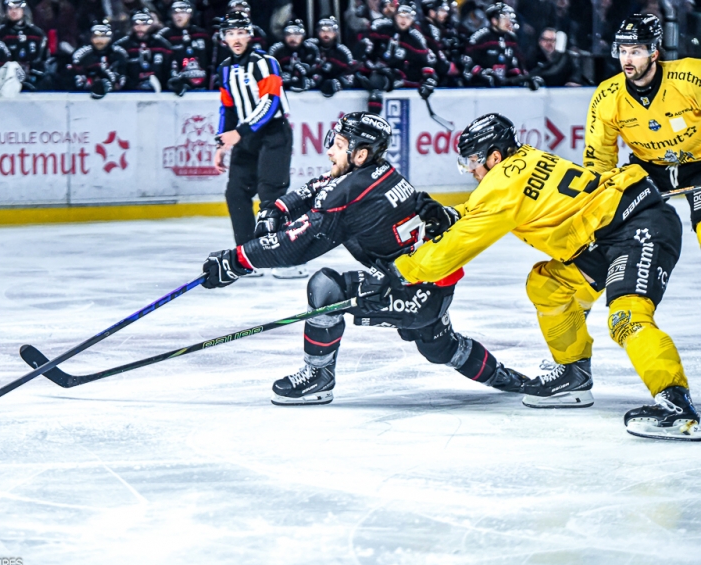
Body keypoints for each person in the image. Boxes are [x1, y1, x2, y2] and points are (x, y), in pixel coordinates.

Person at [388, 113, 699, 441]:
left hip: (638, 228)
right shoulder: (524, 158)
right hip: (606, 235)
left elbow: (447, 254)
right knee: (549, 284)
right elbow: (489, 205)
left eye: (474, 161)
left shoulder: (502, 185)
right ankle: (574, 373)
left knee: (627, 317)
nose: (471, 170)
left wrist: (398, 272)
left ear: (495, 156)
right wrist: (454, 213)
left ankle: (676, 406)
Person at [200, 112, 529, 405]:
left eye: (339, 144)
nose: (330, 150)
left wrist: (235, 261)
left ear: (359, 154)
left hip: (414, 292)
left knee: (326, 287)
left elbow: (294, 247)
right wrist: (280, 208)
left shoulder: (351, 195)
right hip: (427, 285)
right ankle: (510, 379)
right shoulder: (378, 170)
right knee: (440, 348)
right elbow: (321, 185)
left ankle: (318, 377)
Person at [584, 14, 701, 249]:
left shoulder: (691, 76)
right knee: (605, 227)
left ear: (654, 52)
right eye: (623, 51)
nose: (627, 59)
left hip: (698, 165)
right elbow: (599, 157)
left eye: (636, 51)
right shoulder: (607, 96)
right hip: (648, 169)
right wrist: (599, 200)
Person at [214, 11, 306, 280]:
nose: (236, 38)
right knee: (235, 193)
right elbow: (227, 109)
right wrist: (222, 143)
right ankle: (247, 256)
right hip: (245, 138)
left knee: (271, 197)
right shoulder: (225, 69)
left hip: (273, 134)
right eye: (230, 33)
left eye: (241, 32)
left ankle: (284, 257)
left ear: (250, 34)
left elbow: (270, 103)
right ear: (224, 38)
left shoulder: (266, 62)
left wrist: (238, 133)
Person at [356, 4, 435, 113]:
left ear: (413, 20)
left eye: (408, 17)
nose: (404, 20)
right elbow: (364, 42)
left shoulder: (416, 39)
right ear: (395, 16)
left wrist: (428, 81)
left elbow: (427, 64)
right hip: (370, 67)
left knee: (376, 82)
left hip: (395, 74)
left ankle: (372, 121)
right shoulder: (381, 26)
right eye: (401, 16)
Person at [462, 2, 538, 89]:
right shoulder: (480, 37)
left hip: (503, 88)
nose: (508, 21)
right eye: (504, 18)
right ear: (494, 21)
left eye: (509, 18)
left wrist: (524, 78)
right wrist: (482, 74)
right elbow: (466, 61)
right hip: (481, 89)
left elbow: (517, 64)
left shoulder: (511, 38)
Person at [157, 0, 211, 95]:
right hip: (173, 91)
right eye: (175, 12)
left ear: (190, 14)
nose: (179, 16)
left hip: (202, 88)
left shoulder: (202, 34)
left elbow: (210, 60)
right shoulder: (164, 36)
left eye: (183, 12)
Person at [115, 9, 172, 92]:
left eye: (144, 24)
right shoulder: (122, 45)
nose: (140, 27)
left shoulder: (162, 44)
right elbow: (119, 71)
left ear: (151, 25)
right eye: (136, 24)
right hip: (130, 93)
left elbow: (169, 67)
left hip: (161, 92)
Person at [0, 0, 47, 90]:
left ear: (23, 10)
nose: (14, 11)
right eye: (10, 8)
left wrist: (31, 69)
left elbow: (43, 59)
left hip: (32, 77)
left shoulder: (37, 33)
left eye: (17, 8)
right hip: (7, 77)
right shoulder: (0, 33)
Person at [71, 20, 128, 99]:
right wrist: (93, 82)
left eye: (104, 36)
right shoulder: (81, 55)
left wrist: (109, 83)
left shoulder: (119, 53)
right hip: (84, 98)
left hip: (117, 98)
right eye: (96, 36)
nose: (100, 40)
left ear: (110, 38)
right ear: (91, 37)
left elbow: (123, 77)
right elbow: (75, 79)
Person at [310, 16, 357, 97]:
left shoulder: (343, 52)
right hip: (310, 91)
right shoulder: (309, 47)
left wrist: (337, 83)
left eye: (330, 30)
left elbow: (350, 75)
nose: (326, 34)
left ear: (336, 33)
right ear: (317, 31)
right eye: (323, 30)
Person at [420, 0, 464, 87]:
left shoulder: (435, 28)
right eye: (442, 11)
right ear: (432, 12)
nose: (446, 14)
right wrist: (456, 68)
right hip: (430, 77)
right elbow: (438, 59)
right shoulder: (430, 29)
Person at [268, 19, 320, 93]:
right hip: (282, 92)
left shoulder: (311, 50)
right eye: (289, 34)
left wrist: (307, 82)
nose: (293, 38)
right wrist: (283, 80)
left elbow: (318, 74)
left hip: (309, 94)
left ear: (303, 35)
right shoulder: (276, 50)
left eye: (297, 33)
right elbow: (268, 74)